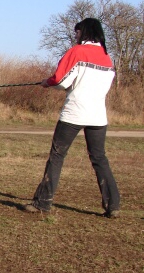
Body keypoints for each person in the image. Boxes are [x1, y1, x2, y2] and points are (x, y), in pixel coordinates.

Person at [24, 18, 120, 218]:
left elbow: (60, 78)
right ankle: (113, 205)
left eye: (77, 33)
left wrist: (47, 83)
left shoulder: (77, 52)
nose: (75, 37)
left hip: (74, 112)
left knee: (57, 156)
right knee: (100, 158)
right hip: (98, 115)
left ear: (84, 32)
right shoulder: (107, 57)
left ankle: (43, 202)